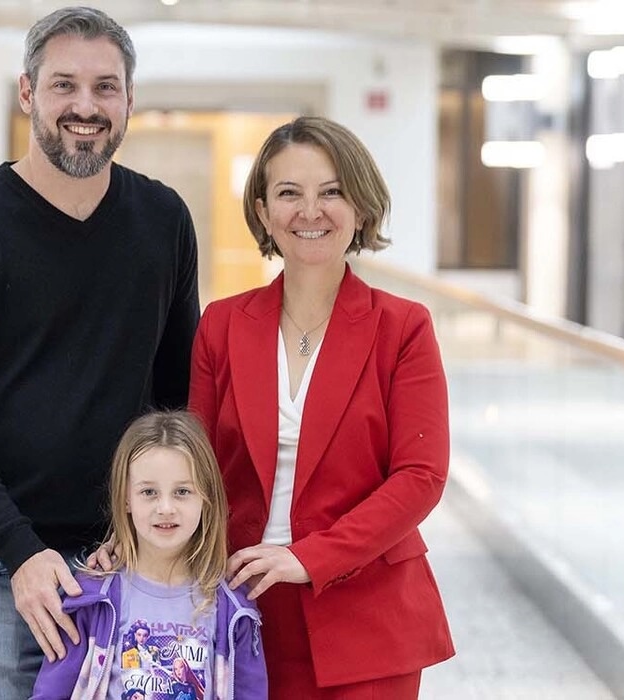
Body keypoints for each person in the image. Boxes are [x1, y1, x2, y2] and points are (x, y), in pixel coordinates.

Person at [0, 6, 200, 698]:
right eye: (65, 85)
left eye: (105, 87)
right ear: (28, 93)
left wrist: (145, 531)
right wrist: (19, 551)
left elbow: (177, 399)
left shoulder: (162, 222)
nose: (86, 106)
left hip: (124, 554)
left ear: (130, 100)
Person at [188, 117, 454, 698]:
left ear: (360, 207)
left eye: (331, 191)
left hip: (366, 615)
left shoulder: (403, 327)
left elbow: (420, 477)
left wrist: (307, 558)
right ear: (263, 212)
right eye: (289, 193)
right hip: (240, 610)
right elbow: (196, 470)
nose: (311, 211)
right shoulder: (222, 325)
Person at [30, 411, 266, 700]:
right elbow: (49, 694)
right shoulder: (91, 598)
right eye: (149, 492)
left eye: (182, 491)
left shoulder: (233, 608)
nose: (165, 507)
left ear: (206, 498)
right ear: (126, 498)